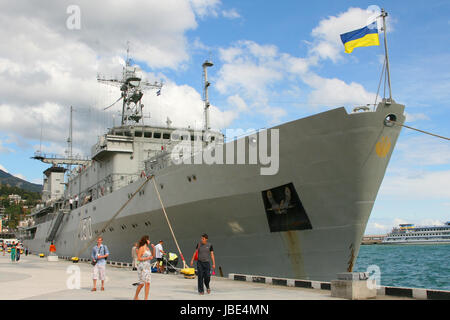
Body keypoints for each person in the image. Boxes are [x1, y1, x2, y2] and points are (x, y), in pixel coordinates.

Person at [134, 235, 154, 300]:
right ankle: (136, 296)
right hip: (142, 267)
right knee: (142, 284)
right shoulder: (141, 248)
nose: (149, 241)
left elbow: (152, 256)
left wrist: (154, 249)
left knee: (148, 283)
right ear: (146, 241)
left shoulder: (148, 249)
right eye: (148, 240)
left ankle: (146, 298)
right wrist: (147, 258)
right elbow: (139, 258)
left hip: (148, 267)